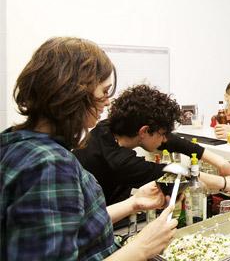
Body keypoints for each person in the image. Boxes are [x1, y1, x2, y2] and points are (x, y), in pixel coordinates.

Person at [1, 37, 175, 260]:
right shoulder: (51, 165)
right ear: (73, 93)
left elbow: (74, 226)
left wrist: (134, 203)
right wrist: (142, 247)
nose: (108, 101)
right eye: (104, 91)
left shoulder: (17, 143)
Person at [74, 84, 230, 205]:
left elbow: (172, 142)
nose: (164, 140)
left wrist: (218, 161)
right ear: (144, 131)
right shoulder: (120, 162)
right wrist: (224, 183)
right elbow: (169, 173)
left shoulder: (107, 127)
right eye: (162, 134)